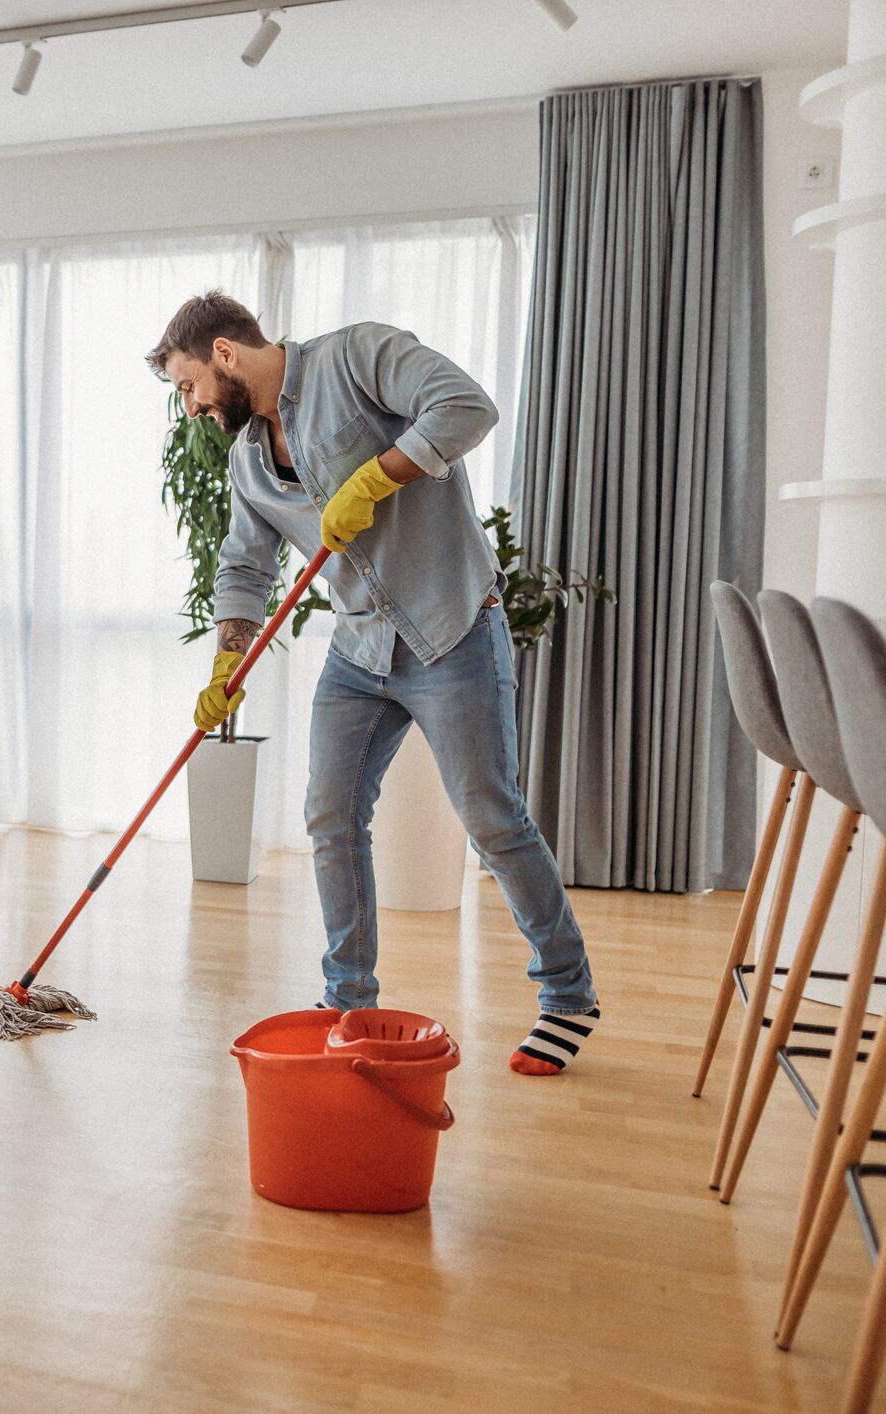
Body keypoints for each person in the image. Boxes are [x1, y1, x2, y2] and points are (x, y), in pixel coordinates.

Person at [147, 291, 599, 1076]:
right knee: (330, 816)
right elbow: (246, 566)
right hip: (359, 649)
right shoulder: (248, 456)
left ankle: (566, 994)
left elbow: (466, 406)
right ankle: (347, 999)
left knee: (492, 818)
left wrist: (376, 477)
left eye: (186, 386)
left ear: (223, 355)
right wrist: (228, 657)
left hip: (450, 625)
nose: (188, 409)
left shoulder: (355, 357)